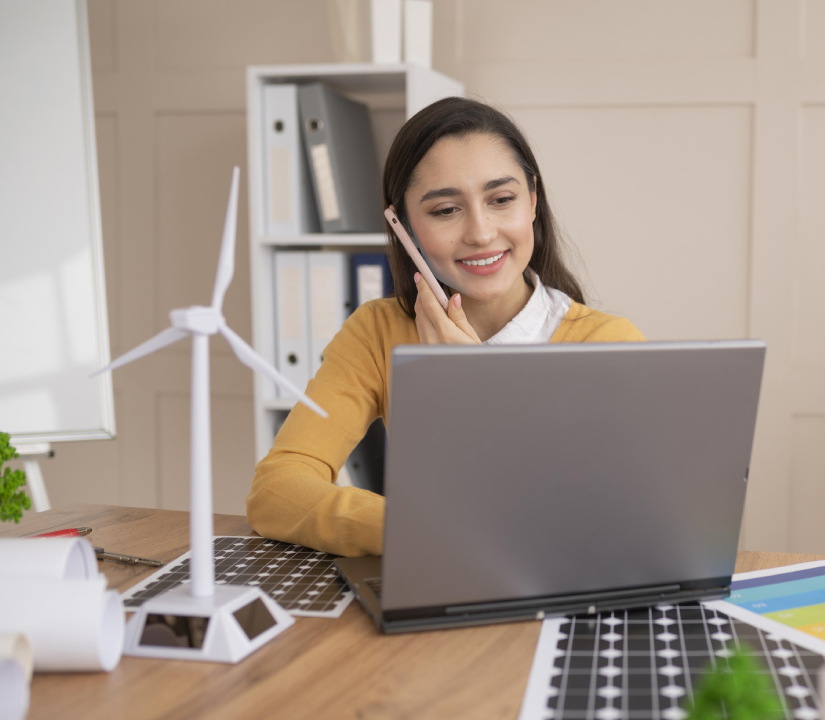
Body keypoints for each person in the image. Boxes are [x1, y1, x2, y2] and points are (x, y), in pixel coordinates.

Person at [246, 98, 645, 556]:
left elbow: (602, 521)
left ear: (532, 200)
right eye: (444, 210)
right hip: (434, 585)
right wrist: (410, 531)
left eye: (501, 200)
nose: (480, 232)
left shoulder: (607, 343)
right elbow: (275, 491)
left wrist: (475, 385)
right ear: (405, 227)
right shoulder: (377, 332)